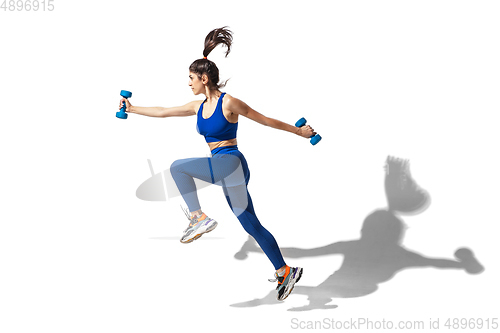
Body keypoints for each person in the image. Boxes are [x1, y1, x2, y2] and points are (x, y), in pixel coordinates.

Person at [118, 27, 314, 301]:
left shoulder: (229, 102)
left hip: (231, 163)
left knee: (178, 167)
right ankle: (284, 271)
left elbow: (266, 120)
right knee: (250, 224)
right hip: (221, 167)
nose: (188, 83)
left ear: (204, 78)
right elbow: (163, 112)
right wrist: (132, 108)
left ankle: (198, 217)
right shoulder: (196, 106)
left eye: (191, 78)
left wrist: (299, 132)